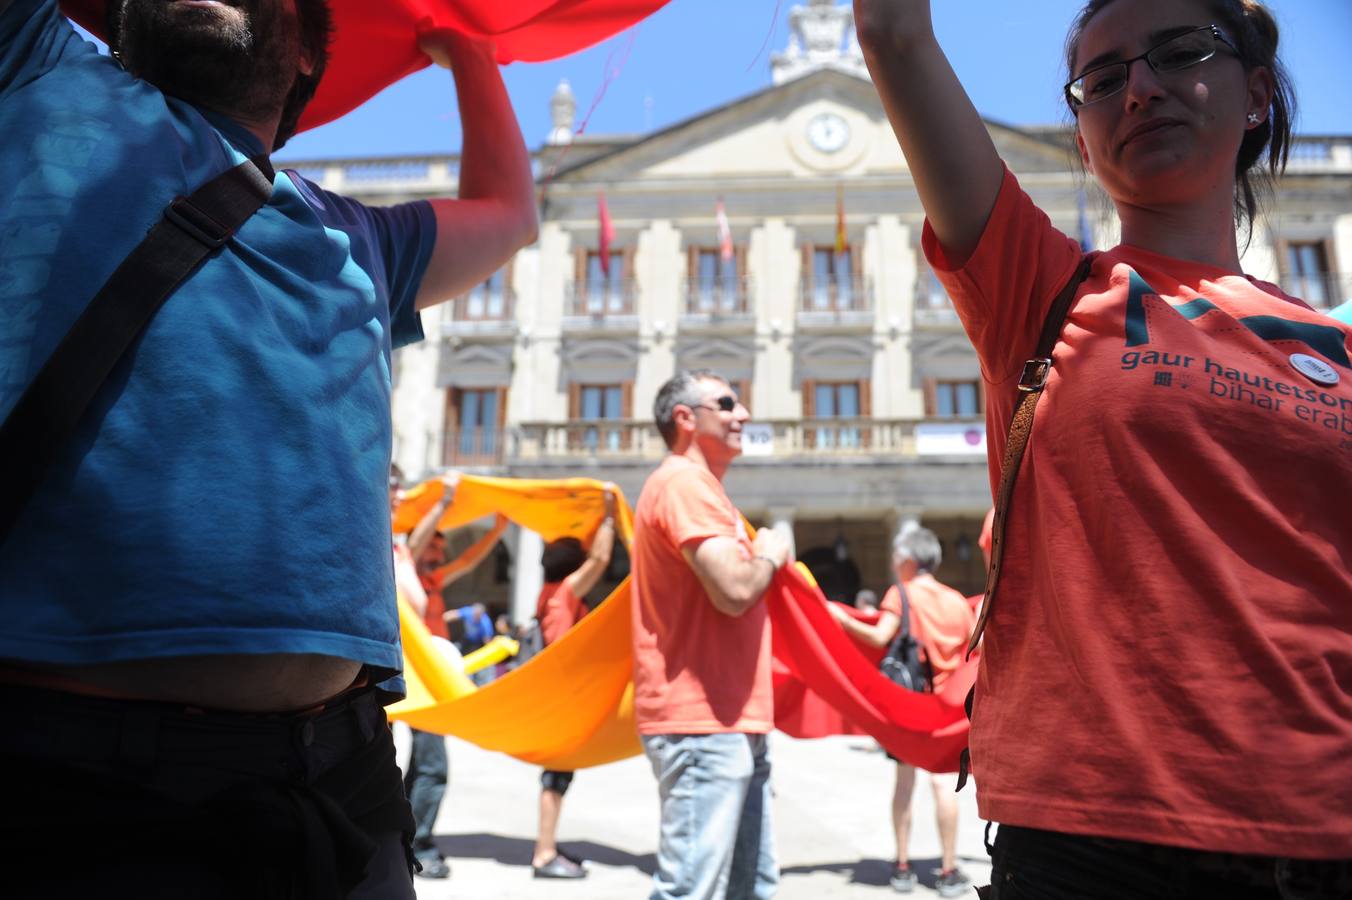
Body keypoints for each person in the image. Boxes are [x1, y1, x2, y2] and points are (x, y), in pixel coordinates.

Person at [0, 0, 537, 895]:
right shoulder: (38, 81)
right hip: (69, 786)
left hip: (342, 782)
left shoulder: (364, 239)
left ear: (306, 57)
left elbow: (507, 213)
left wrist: (468, 47)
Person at [855, 0, 1351, 896]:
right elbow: (893, 29)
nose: (1143, 88)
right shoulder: (1039, 290)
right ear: (1082, 137)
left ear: (1258, 95)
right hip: (1092, 843)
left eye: (1179, 52)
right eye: (1105, 78)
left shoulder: (1338, 347)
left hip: (1329, 832)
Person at [631, 370, 793, 900]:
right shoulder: (685, 483)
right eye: (726, 403)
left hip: (727, 720)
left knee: (750, 888)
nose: (742, 413)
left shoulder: (702, 490)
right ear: (685, 418)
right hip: (702, 724)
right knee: (691, 891)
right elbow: (735, 588)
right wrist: (771, 547)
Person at [827, 527, 976, 897]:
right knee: (944, 784)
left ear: (910, 560)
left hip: (913, 705)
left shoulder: (901, 593)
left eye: (896, 559)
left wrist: (837, 616)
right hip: (951, 708)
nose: (894, 565)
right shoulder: (956, 599)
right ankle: (947, 868)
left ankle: (904, 865)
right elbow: (977, 646)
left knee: (905, 783)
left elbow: (880, 637)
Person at [395, 472, 509, 880]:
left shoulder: (431, 579)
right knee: (430, 766)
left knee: (420, 765)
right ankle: (416, 844)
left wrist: (497, 529)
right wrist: (443, 502)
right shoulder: (400, 565)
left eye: (441, 549)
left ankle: (403, 839)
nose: (437, 554)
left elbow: (469, 560)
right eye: (432, 547)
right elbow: (415, 543)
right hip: (412, 679)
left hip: (429, 678)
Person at [529, 486, 618, 879]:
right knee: (555, 776)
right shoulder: (564, 593)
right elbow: (600, 559)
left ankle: (548, 846)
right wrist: (611, 516)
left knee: (558, 776)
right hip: (559, 697)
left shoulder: (546, 593)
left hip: (553, 695)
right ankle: (544, 855)